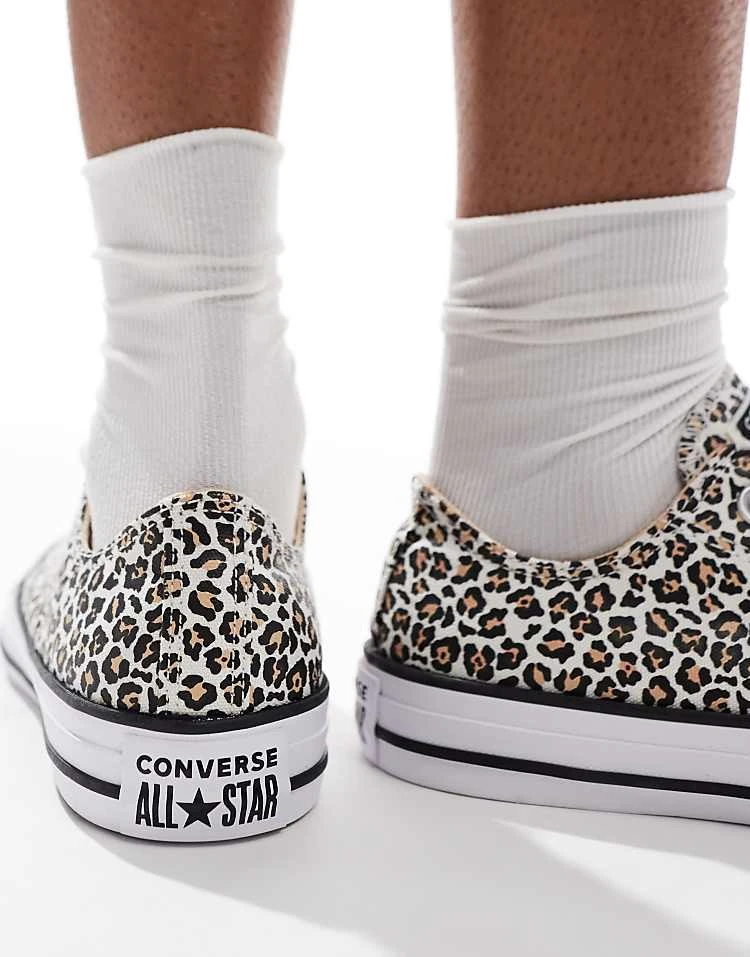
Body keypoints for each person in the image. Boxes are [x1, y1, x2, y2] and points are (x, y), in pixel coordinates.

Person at [5, 1, 750, 840]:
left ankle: (167, 479)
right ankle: (564, 448)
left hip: (148, 629)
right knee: (608, 351)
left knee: (187, 303)